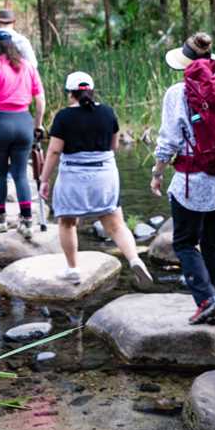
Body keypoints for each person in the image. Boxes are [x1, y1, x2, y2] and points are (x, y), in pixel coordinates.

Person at [150, 32, 215, 325]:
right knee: (213, 243)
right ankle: (214, 300)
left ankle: (206, 299)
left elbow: (169, 141)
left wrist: (158, 173)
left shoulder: (178, 93)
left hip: (194, 180)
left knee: (185, 243)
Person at [38, 71, 153, 288]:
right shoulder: (107, 112)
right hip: (105, 175)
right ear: (92, 90)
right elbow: (114, 146)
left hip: (74, 176)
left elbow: (53, 152)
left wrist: (44, 180)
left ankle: (73, 269)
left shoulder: (63, 116)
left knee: (67, 222)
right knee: (116, 225)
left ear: (69, 93)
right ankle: (135, 259)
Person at [0, 30, 46, 238]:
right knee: (21, 174)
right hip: (24, 122)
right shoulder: (28, 66)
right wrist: (38, 125)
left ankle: (1, 220)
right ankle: (27, 222)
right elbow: (41, 100)